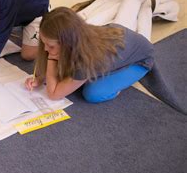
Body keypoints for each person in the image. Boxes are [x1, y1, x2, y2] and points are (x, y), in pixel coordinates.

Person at [25, 7, 155, 102]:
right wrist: (41, 78)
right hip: (122, 41)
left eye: (51, 46)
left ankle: (118, 81)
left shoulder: (84, 61)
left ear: (68, 43)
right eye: (44, 43)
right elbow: (61, 70)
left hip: (141, 60)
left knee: (93, 93)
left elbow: (54, 95)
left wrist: (52, 59)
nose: (46, 49)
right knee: (73, 76)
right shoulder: (78, 38)